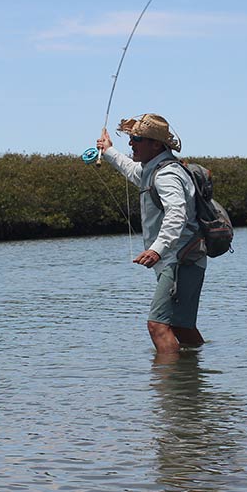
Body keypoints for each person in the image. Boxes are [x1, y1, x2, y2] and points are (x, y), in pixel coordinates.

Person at [96, 113, 207, 356]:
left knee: (157, 325)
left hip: (178, 260)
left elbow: (176, 213)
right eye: (131, 138)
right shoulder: (154, 169)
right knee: (182, 327)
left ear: (156, 144)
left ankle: (170, 391)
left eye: (137, 138)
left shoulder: (167, 174)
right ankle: (195, 380)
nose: (131, 143)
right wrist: (108, 151)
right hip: (186, 259)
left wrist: (157, 249)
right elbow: (134, 171)